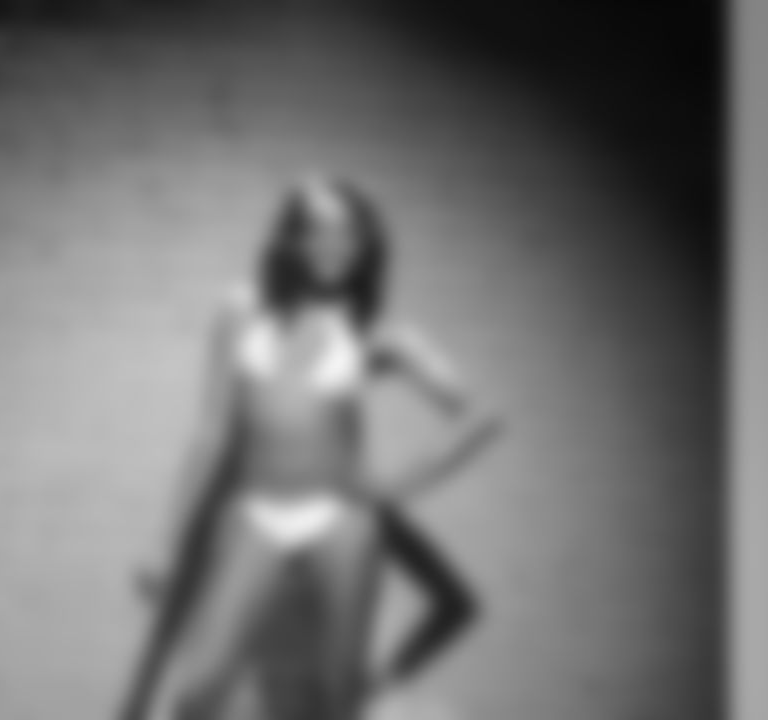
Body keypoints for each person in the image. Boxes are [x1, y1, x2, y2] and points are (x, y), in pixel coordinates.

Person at [122, 175, 504, 720]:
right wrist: (167, 545)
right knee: (196, 692)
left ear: (367, 246)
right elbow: (210, 432)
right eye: (318, 230)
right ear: (291, 237)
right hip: (255, 516)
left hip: (341, 523)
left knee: (336, 698)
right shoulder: (239, 309)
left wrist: (400, 485)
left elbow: (481, 415)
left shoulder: (375, 333)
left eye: (350, 234)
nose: (335, 246)